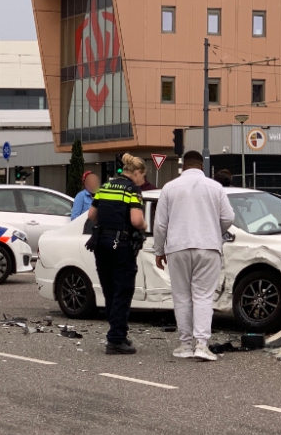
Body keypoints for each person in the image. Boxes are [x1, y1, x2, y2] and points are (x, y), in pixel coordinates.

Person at [153, 150, 235, 362]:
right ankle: (201, 344)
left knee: (181, 296)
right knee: (203, 295)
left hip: (177, 247)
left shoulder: (169, 188)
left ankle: (185, 344)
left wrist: (159, 250)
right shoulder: (215, 187)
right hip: (208, 246)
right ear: (201, 166)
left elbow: (160, 224)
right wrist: (215, 230)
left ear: (183, 166)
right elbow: (228, 217)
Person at [87, 153, 147, 355]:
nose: (143, 180)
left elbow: (92, 215)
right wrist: (144, 224)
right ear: (136, 173)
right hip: (121, 245)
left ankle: (117, 333)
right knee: (123, 290)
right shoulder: (132, 190)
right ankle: (115, 340)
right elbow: (137, 221)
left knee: (110, 290)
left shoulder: (104, 187)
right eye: (142, 176)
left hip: (101, 243)